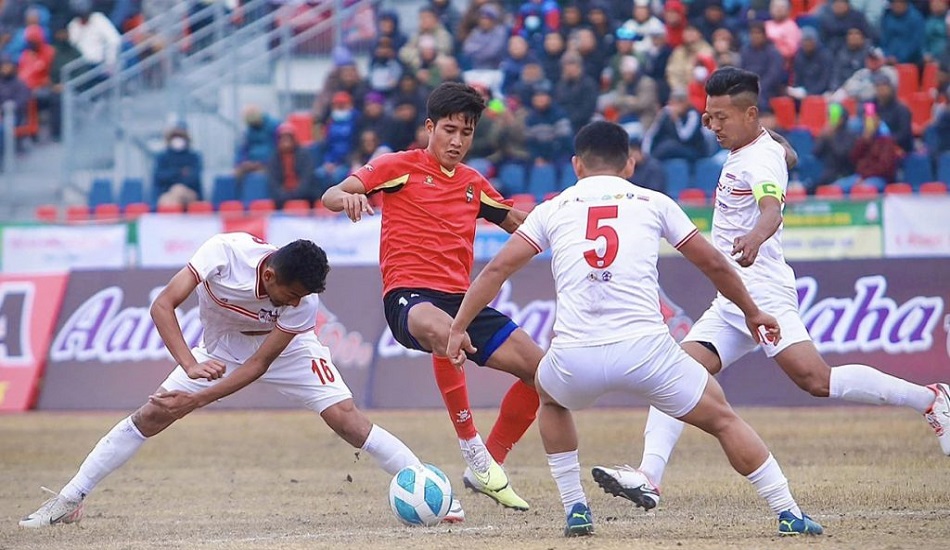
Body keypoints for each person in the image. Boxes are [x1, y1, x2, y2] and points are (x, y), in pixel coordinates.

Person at [445, 120, 823, 538]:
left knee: (549, 397)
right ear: (630, 164)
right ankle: (788, 512)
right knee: (722, 418)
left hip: (576, 357)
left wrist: (459, 327)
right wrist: (752, 312)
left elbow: (496, 271)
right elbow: (715, 264)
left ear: (576, 165)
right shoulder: (653, 202)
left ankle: (575, 508)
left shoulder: (552, 208)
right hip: (647, 353)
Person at [633, 67, 950, 508]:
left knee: (815, 380)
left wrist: (754, 237)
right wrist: (781, 149)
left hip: (762, 291)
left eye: (721, 117)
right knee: (674, 374)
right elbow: (786, 154)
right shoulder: (758, 146)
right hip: (733, 298)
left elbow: (771, 209)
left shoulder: (759, 159)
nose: (713, 126)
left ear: (750, 114)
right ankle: (648, 477)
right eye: (709, 117)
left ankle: (931, 398)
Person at [18, 234, 464, 528]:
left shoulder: (302, 305)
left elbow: (259, 365)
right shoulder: (223, 254)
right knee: (152, 413)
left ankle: (432, 493)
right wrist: (189, 365)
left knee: (345, 418)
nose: (297, 303)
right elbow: (162, 305)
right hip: (218, 351)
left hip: (288, 350)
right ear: (269, 276)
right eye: (292, 294)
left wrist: (196, 399)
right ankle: (69, 500)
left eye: (303, 298)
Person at [322, 82, 542, 512]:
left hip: (462, 301)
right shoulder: (398, 166)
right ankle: (474, 451)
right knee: (447, 333)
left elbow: (520, 223)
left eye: (466, 133)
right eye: (449, 130)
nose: (457, 141)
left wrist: (566, 220)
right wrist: (347, 197)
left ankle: (490, 461)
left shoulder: (474, 184)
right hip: (409, 298)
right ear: (429, 127)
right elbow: (332, 193)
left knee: (544, 373)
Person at [267, 123, 318, 209]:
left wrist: (296, 194)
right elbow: (273, 182)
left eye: (288, 138)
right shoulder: (274, 158)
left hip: (305, 196)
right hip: (281, 198)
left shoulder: (304, 155)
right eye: (283, 138)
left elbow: (307, 178)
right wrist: (284, 195)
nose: (285, 141)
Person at [153, 124, 203, 209]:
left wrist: (173, 178)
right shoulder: (162, 157)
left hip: (190, 194)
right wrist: (179, 172)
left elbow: (194, 178)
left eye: (181, 137)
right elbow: (160, 177)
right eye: (174, 137)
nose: (178, 140)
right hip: (167, 193)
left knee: (178, 190)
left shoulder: (194, 157)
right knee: (169, 199)